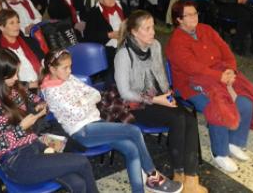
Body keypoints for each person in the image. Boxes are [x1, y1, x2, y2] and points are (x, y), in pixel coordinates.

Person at [41, 49, 182, 193]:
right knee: (134, 130)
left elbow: (96, 94)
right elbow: (76, 113)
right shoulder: (51, 92)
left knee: (131, 148)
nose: (69, 71)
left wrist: (81, 101)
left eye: (70, 66)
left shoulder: (69, 78)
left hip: (96, 123)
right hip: (82, 131)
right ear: (52, 69)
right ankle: (153, 176)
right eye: (65, 68)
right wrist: (86, 102)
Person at [0, 48, 99, 192]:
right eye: (13, 74)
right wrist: (21, 128)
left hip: (34, 145)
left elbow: (34, 98)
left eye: (17, 72)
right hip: (17, 161)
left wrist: (41, 104)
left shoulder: (13, 88)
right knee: (82, 162)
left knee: (77, 182)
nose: (16, 77)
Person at [114, 11, 207, 193]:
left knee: (189, 118)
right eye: (147, 29)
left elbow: (160, 74)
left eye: (153, 27)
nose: (153, 32)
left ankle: (191, 178)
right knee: (178, 119)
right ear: (134, 32)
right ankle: (179, 173)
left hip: (158, 97)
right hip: (137, 104)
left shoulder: (155, 46)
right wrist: (156, 99)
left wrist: (168, 95)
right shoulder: (123, 55)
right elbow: (125, 93)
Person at [166, 0, 253, 174]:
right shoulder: (176, 41)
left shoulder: (206, 29)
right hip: (190, 84)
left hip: (220, 75)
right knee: (217, 106)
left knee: (246, 100)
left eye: (195, 13)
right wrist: (220, 76)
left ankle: (234, 142)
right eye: (189, 15)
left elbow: (226, 51)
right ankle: (220, 152)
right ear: (179, 20)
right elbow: (192, 67)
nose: (194, 17)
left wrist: (231, 70)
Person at [0, 10, 45, 89]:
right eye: (12, 23)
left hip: (41, 83)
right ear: (1, 27)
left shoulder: (30, 41)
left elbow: (42, 62)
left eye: (18, 22)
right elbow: (3, 80)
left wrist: (42, 76)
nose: (17, 26)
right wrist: (30, 85)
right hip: (20, 90)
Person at [83, 0, 126, 79]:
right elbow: (88, 36)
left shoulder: (121, 6)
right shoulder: (94, 13)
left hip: (126, 41)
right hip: (108, 46)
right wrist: (109, 35)